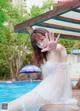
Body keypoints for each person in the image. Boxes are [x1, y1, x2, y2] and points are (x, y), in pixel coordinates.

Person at [7, 28, 78, 111]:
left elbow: (57, 49)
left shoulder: (59, 48)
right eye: (37, 42)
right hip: (46, 91)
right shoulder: (47, 54)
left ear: (48, 35)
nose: (41, 43)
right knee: (11, 105)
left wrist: (54, 47)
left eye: (42, 39)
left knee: (12, 107)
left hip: (49, 93)